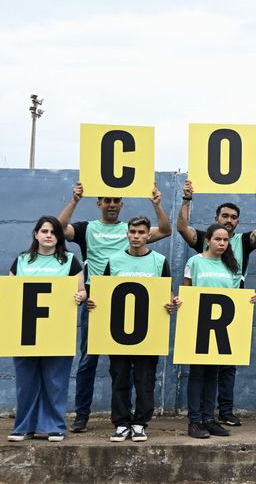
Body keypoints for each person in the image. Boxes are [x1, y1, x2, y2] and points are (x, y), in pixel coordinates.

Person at [58, 182, 171, 433]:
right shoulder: (87, 228)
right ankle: (82, 415)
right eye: (107, 200)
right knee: (88, 360)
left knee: (126, 363)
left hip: (130, 301)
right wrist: (75, 200)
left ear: (122, 204)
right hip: (96, 301)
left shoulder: (131, 229)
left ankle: (128, 419)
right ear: (99, 203)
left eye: (116, 200)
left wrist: (156, 203)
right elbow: (60, 228)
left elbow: (165, 230)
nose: (111, 204)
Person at [176, 178, 256, 427]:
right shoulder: (200, 247)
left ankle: (222, 412)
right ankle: (198, 418)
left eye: (233, 217)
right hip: (201, 315)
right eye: (225, 216)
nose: (229, 220)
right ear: (215, 220)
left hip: (230, 314)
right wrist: (186, 198)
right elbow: (182, 228)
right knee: (200, 371)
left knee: (226, 367)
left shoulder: (242, 244)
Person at [0, 216, 85, 442]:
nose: (49, 235)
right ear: (36, 234)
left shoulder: (70, 261)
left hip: (57, 328)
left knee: (56, 381)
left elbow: (82, 290)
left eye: (53, 232)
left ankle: (55, 426)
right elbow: (9, 291)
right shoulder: (22, 260)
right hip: (25, 329)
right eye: (44, 231)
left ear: (59, 236)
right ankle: (24, 427)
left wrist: (80, 296)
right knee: (26, 381)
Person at [88, 216, 176, 443]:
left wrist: (170, 302)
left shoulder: (159, 261)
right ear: (127, 234)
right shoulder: (114, 260)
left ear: (148, 235)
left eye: (141, 232)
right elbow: (104, 293)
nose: (136, 236)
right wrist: (93, 302)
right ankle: (121, 423)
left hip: (149, 331)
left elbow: (167, 291)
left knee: (145, 380)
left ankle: (139, 424)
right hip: (118, 332)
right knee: (119, 378)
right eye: (133, 232)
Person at [181, 224, 256, 439]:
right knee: (197, 373)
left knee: (213, 374)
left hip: (220, 327)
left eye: (225, 240)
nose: (222, 243)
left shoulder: (231, 266)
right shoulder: (195, 262)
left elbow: (235, 296)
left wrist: (249, 299)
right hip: (199, 324)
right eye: (218, 239)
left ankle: (209, 418)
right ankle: (194, 421)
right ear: (208, 240)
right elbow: (186, 291)